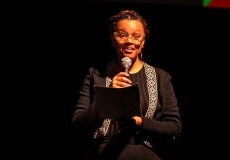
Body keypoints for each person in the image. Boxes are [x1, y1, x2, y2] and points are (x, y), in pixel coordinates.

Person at [71, 9, 182, 160]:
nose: (129, 41)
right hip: (101, 153)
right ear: (112, 39)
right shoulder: (95, 74)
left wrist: (140, 123)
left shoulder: (161, 77)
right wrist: (107, 96)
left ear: (142, 42)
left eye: (136, 36)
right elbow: (78, 124)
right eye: (123, 35)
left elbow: (174, 128)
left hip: (143, 153)